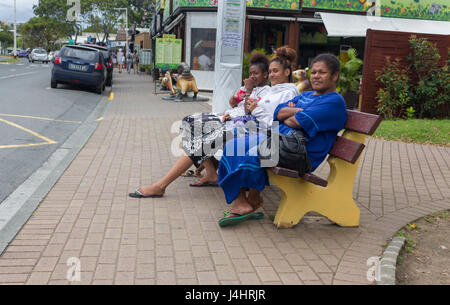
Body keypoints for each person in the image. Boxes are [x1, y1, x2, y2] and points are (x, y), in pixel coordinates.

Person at [129, 48, 299, 198]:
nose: (272, 75)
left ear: (288, 72)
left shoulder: (288, 93)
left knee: (206, 139)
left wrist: (254, 109)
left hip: (263, 137)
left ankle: (161, 186)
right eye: (270, 71)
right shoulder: (274, 91)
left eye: (275, 71)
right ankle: (207, 174)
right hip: (249, 129)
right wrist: (236, 112)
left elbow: (275, 122)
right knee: (196, 128)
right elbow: (257, 112)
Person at [216, 53, 347, 227]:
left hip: (300, 151)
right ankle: (243, 202)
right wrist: (296, 111)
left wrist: (291, 112)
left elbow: (293, 121)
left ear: (335, 75)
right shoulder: (307, 95)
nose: (316, 76)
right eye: (314, 72)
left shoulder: (334, 102)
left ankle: (251, 200)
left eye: (322, 72)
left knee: (251, 153)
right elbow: (278, 112)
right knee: (233, 146)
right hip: (280, 139)